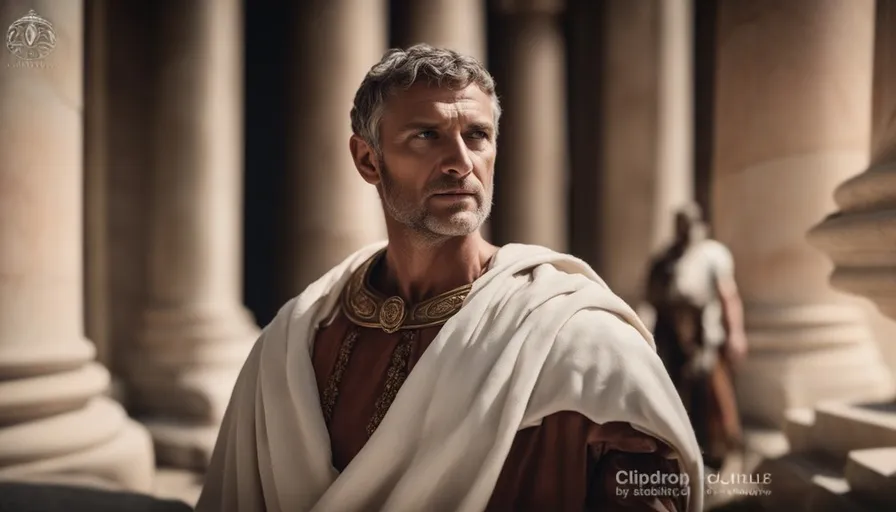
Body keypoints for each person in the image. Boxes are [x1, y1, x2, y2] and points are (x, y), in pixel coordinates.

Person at [196, 44, 703, 512]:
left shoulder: (580, 340)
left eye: (477, 136)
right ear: (368, 160)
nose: (461, 162)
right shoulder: (294, 345)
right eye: (426, 136)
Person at [646, 203, 747, 471]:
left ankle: (717, 455)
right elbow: (651, 297)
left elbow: (728, 296)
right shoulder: (665, 260)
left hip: (705, 337)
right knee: (673, 396)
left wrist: (735, 332)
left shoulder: (712, 255)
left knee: (713, 398)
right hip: (671, 337)